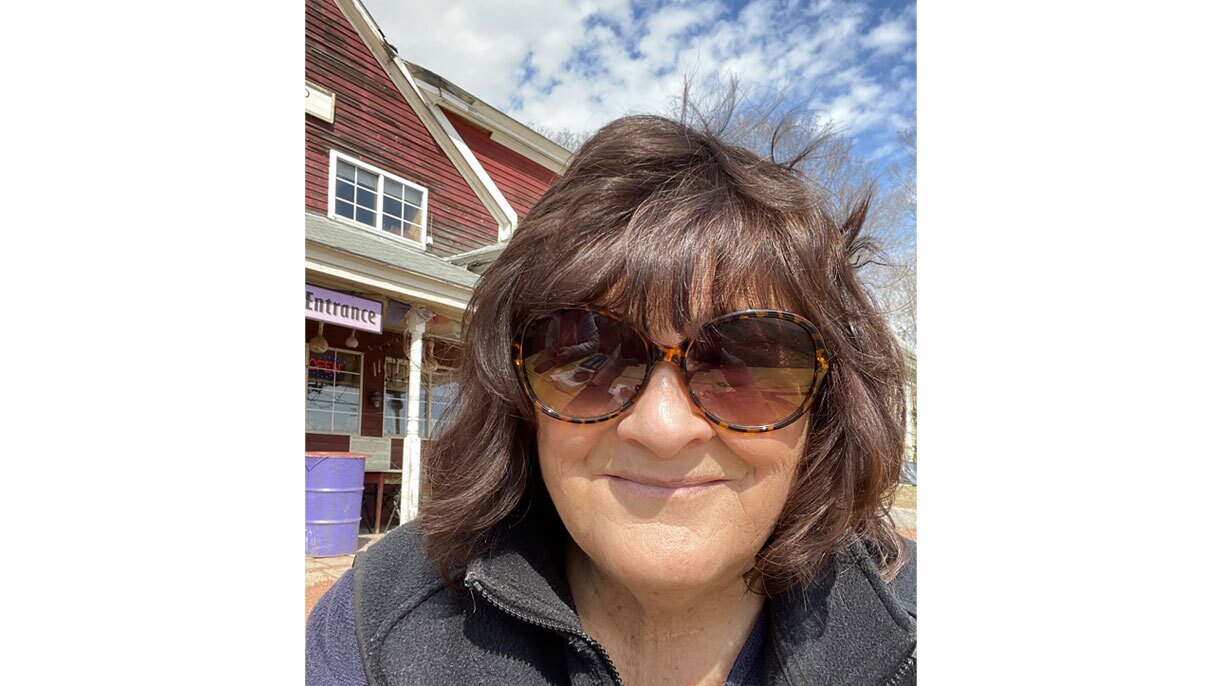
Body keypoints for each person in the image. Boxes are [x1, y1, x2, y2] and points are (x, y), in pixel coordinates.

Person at [307, 113, 916, 686]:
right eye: (590, 360)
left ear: (829, 407)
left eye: (746, 362)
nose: (663, 428)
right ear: (518, 394)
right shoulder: (374, 627)